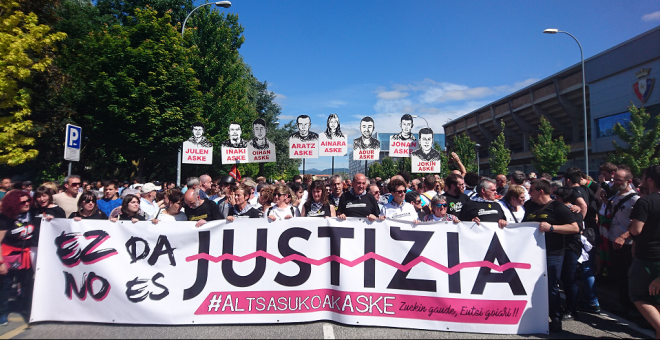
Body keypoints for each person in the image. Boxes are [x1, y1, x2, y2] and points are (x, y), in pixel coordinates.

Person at [523, 179, 579, 333]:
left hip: (552, 253)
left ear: (541, 191)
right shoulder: (529, 206)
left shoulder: (558, 207)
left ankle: (555, 317)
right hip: (531, 253)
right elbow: (523, 225)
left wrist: (552, 228)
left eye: (531, 190)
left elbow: (574, 228)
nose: (529, 193)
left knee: (551, 286)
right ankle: (534, 315)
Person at [627, 165, 660, 338]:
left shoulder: (646, 201)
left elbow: (636, 230)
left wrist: (631, 226)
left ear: (650, 180)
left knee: (639, 296)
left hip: (648, 259)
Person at [0, 190, 36, 325]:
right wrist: (1, 262)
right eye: (23, 202)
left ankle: (26, 309)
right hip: (9, 255)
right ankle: (2, 313)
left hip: (26, 255)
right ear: (15, 204)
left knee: (27, 284)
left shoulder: (31, 214)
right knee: (6, 285)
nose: (27, 204)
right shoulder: (5, 218)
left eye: (28, 201)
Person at [607, 168, 639, 314]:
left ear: (629, 182)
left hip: (627, 244)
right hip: (613, 240)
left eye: (618, 180)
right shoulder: (615, 197)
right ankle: (622, 302)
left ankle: (632, 306)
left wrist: (624, 236)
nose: (615, 183)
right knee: (619, 274)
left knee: (628, 275)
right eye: (614, 180)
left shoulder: (635, 199)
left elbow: (637, 224)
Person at [553, 187, 584, 321]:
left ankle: (572, 309)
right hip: (559, 247)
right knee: (558, 279)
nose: (554, 200)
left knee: (569, 280)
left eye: (556, 198)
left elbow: (578, 229)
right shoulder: (558, 208)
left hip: (570, 248)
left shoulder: (574, 211)